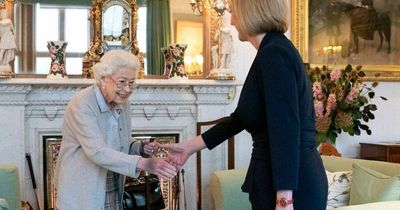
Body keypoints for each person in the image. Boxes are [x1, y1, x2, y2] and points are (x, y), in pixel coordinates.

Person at [164, 0, 328, 210]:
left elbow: (285, 128)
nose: (232, 21)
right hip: (276, 179)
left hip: (292, 186)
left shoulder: (274, 53)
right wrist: (188, 147)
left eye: (235, 13)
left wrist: (284, 199)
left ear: (251, 12)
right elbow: (241, 118)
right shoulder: (271, 50)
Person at [54, 50, 177, 210]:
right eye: (121, 82)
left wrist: (139, 147)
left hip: (112, 179)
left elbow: (121, 141)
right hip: (83, 186)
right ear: (103, 79)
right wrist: (144, 164)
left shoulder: (123, 103)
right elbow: (96, 151)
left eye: (132, 83)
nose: (127, 89)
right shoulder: (83, 104)